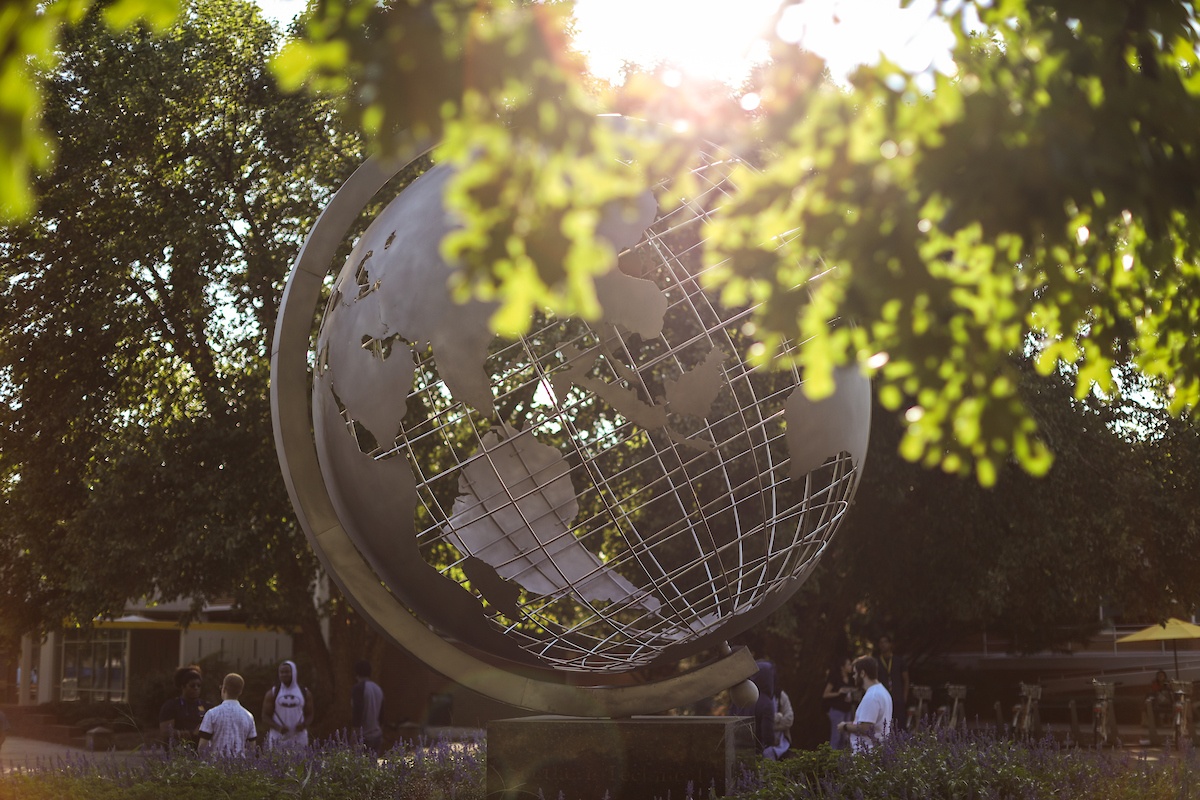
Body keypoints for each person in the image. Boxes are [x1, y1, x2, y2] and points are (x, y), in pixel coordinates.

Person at [837, 656, 892, 751]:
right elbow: (873, 723)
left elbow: (866, 728)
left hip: (866, 756)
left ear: (862, 673)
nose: (853, 676)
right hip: (876, 753)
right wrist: (852, 724)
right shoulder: (882, 691)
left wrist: (845, 727)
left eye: (855, 673)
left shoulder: (872, 696)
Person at [198, 673, 257, 756]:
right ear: (240, 692)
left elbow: (202, 748)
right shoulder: (249, 716)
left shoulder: (212, 714)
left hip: (214, 766)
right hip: (239, 766)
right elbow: (252, 748)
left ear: (224, 689)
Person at [263, 660, 314, 749]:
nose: (284, 675)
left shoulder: (305, 693)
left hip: (299, 739)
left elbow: (310, 714)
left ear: (294, 672)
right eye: (281, 672)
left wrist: (304, 725)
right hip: (278, 739)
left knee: (299, 763)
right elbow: (265, 715)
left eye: (287, 672)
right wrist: (278, 727)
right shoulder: (273, 693)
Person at [729, 661, 776, 756]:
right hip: (755, 753)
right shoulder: (767, 703)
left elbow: (729, 721)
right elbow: (768, 735)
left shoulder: (739, 696)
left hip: (734, 750)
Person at [159, 666, 208, 746]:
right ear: (183, 687)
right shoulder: (171, 706)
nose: (196, 688)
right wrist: (192, 733)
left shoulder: (206, 706)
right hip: (177, 754)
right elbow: (165, 732)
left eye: (199, 685)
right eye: (192, 685)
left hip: (200, 754)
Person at [351, 659, 385, 755]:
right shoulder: (378, 688)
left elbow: (357, 713)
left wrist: (353, 738)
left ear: (356, 672)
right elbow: (382, 716)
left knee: (360, 768)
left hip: (363, 736)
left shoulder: (358, 688)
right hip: (376, 735)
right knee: (372, 767)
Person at [877, 635, 909, 732]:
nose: (883, 645)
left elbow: (906, 679)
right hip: (883, 699)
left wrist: (904, 698)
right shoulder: (876, 662)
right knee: (885, 727)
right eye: (881, 642)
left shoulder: (899, 661)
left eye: (885, 642)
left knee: (900, 728)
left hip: (898, 698)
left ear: (890, 644)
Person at [822, 656, 854, 750]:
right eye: (849, 664)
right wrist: (838, 693)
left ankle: (841, 762)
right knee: (836, 737)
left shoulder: (851, 678)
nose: (851, 666)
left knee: (844, 738)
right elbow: (825, 694)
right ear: (842, 667)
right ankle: (832, 761)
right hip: (837, 711)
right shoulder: (835, 678)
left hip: (847, 711)